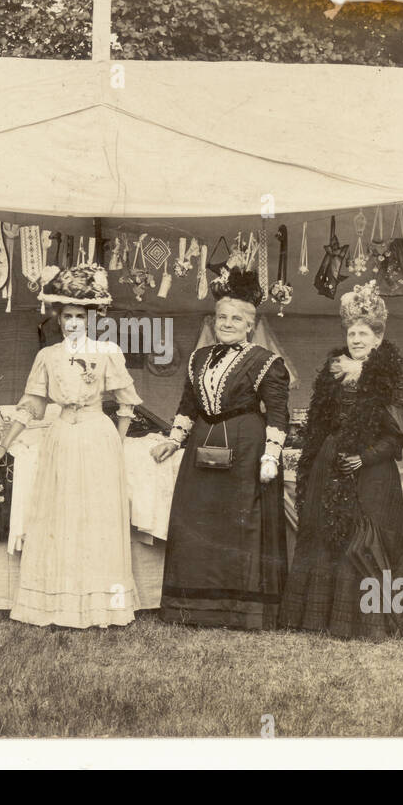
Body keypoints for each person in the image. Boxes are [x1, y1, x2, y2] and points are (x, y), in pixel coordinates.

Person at [0, 263, 143, 628]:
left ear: (89, 318)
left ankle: (103, 606)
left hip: (97, 436)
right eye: (66, 316)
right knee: (60, 516)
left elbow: (127, 402)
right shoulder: (48, 356)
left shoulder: (106, 352)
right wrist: (4, 443)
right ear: (58, 319)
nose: (72, 322)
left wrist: (116, 444)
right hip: (61, 436)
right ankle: (57, 605)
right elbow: (32, 405)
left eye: (78, 316)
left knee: (96, 517)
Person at [151, 255, 289, 629]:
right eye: (222, 318)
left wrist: (270, 457)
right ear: (214, 321)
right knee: (197, 522)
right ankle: (193, 608)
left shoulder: (266, 361)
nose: (228, 324)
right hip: (201, 445)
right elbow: (187, 405)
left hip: (247, 448)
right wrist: (174, 439)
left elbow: (278, 414)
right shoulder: (197, 358)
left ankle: (241, 611)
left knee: (239, 526)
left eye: (237, 319)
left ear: (250, 325)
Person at [279, 282, 403, 639]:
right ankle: (320, 617)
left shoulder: (390, 377)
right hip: (331, 461)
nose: (356, 339)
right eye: (352, 332)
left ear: (378, 338)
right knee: (325, 533)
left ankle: (366, 622)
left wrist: (365, 458)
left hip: (372, 471)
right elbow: (321, 421)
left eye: (364, 333)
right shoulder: (333, 369)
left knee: (364, 535)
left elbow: (400, 433)